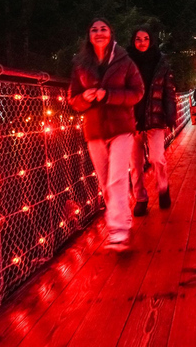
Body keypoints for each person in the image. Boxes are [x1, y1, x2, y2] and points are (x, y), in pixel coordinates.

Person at [68, 18, 144, 248]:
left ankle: (118, 231)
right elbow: (73, 99)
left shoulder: (125, 62)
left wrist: (108, 95)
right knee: (104, 182)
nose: (99, 33)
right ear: (89, 35)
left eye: (103, 29)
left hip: (122, 127)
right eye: (94, 29)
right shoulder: (81, 65)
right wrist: (84, 98)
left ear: (111, 33)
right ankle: (124, 217)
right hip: (94, 129)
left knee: (117, 179)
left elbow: (138, 92)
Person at [127, 26, 177, 217]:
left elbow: (169, 91)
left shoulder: (161, 62)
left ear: (151, 40)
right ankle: (141, 198)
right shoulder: (125, 62)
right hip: (131, 119)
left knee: (156, 157)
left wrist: (170, 114)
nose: (142, 42)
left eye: (145, 38)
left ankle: (163, 186)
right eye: (138, 39)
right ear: (133, 41)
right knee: (135, 163)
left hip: (155, 117)